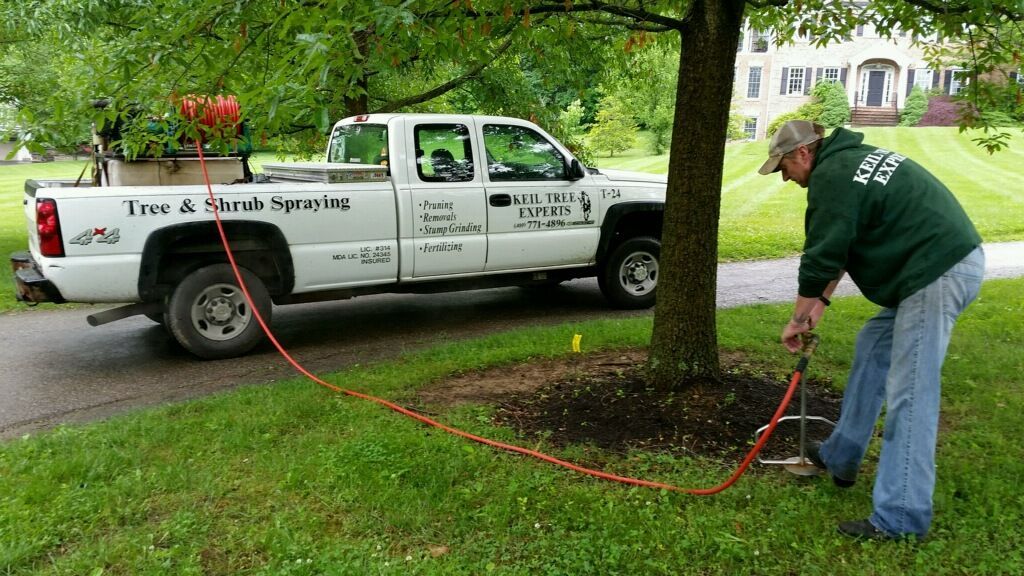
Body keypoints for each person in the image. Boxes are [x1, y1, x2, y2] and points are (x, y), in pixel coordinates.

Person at [759, 120, 984, 541]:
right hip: (939, 267)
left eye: (785, 167)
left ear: (804, 153)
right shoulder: (849, 163)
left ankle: (901, 518)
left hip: (935, 273)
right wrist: (815, 311)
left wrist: (795, 319)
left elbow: (822, 255)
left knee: (911, 392)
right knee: (873, 343)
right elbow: (842, 247)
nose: (786, 178)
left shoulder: (833, 176)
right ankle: (841, 456)